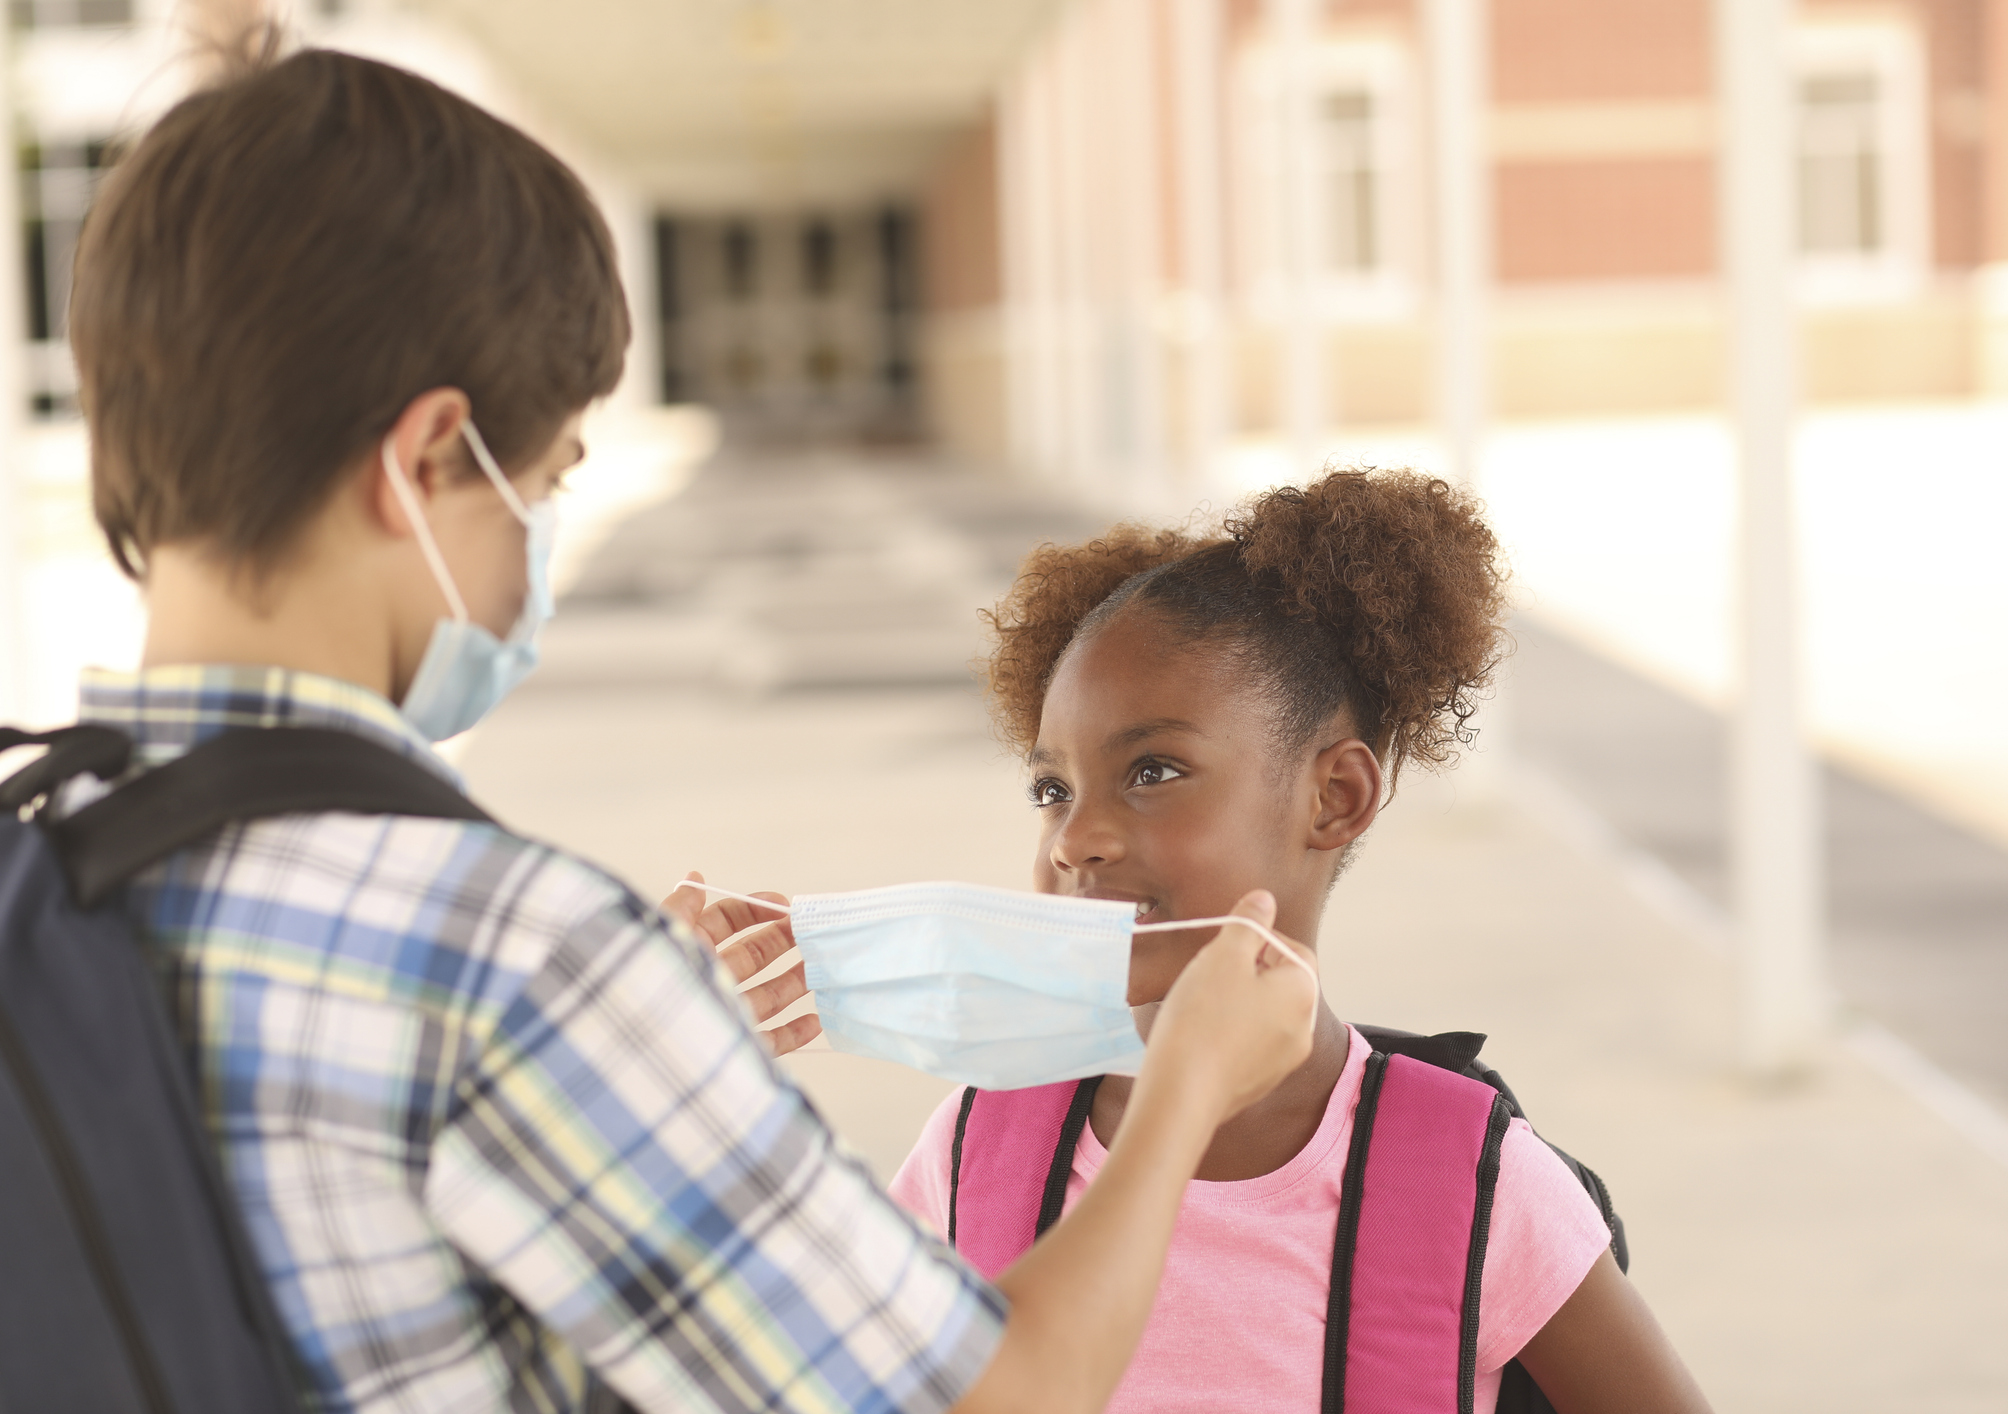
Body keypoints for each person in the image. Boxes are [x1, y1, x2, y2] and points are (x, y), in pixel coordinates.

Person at [56, 42, 1318, 1414]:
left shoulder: (37, 871)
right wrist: (1189, 1082)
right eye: (540, 483)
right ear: (426, 463)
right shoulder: (513, 960)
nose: (535, 544)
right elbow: (984, 1394)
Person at [891, 470, 1714, 1414]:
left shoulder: (1466, 1181)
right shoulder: (979, 1146)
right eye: (1052, 790)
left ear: (1335, 798)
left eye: (1151, 771)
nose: (1075, 839)